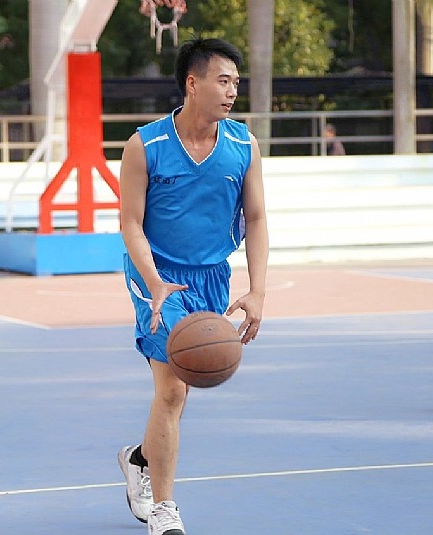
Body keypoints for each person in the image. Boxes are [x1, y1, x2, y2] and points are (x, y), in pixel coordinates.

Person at [117, 38, 269, 535]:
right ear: (192, 83)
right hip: (156, 274)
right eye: (223, 81)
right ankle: (164, 508)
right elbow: (131, 224)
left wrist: (258, 289)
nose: (232, 91)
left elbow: (256, 218)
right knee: (173, 389)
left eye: (236, 83)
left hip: (211, 276)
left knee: (183, 386)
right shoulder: (145, 146)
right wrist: (155, 281)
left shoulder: (243, 146)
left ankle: (140, 458)